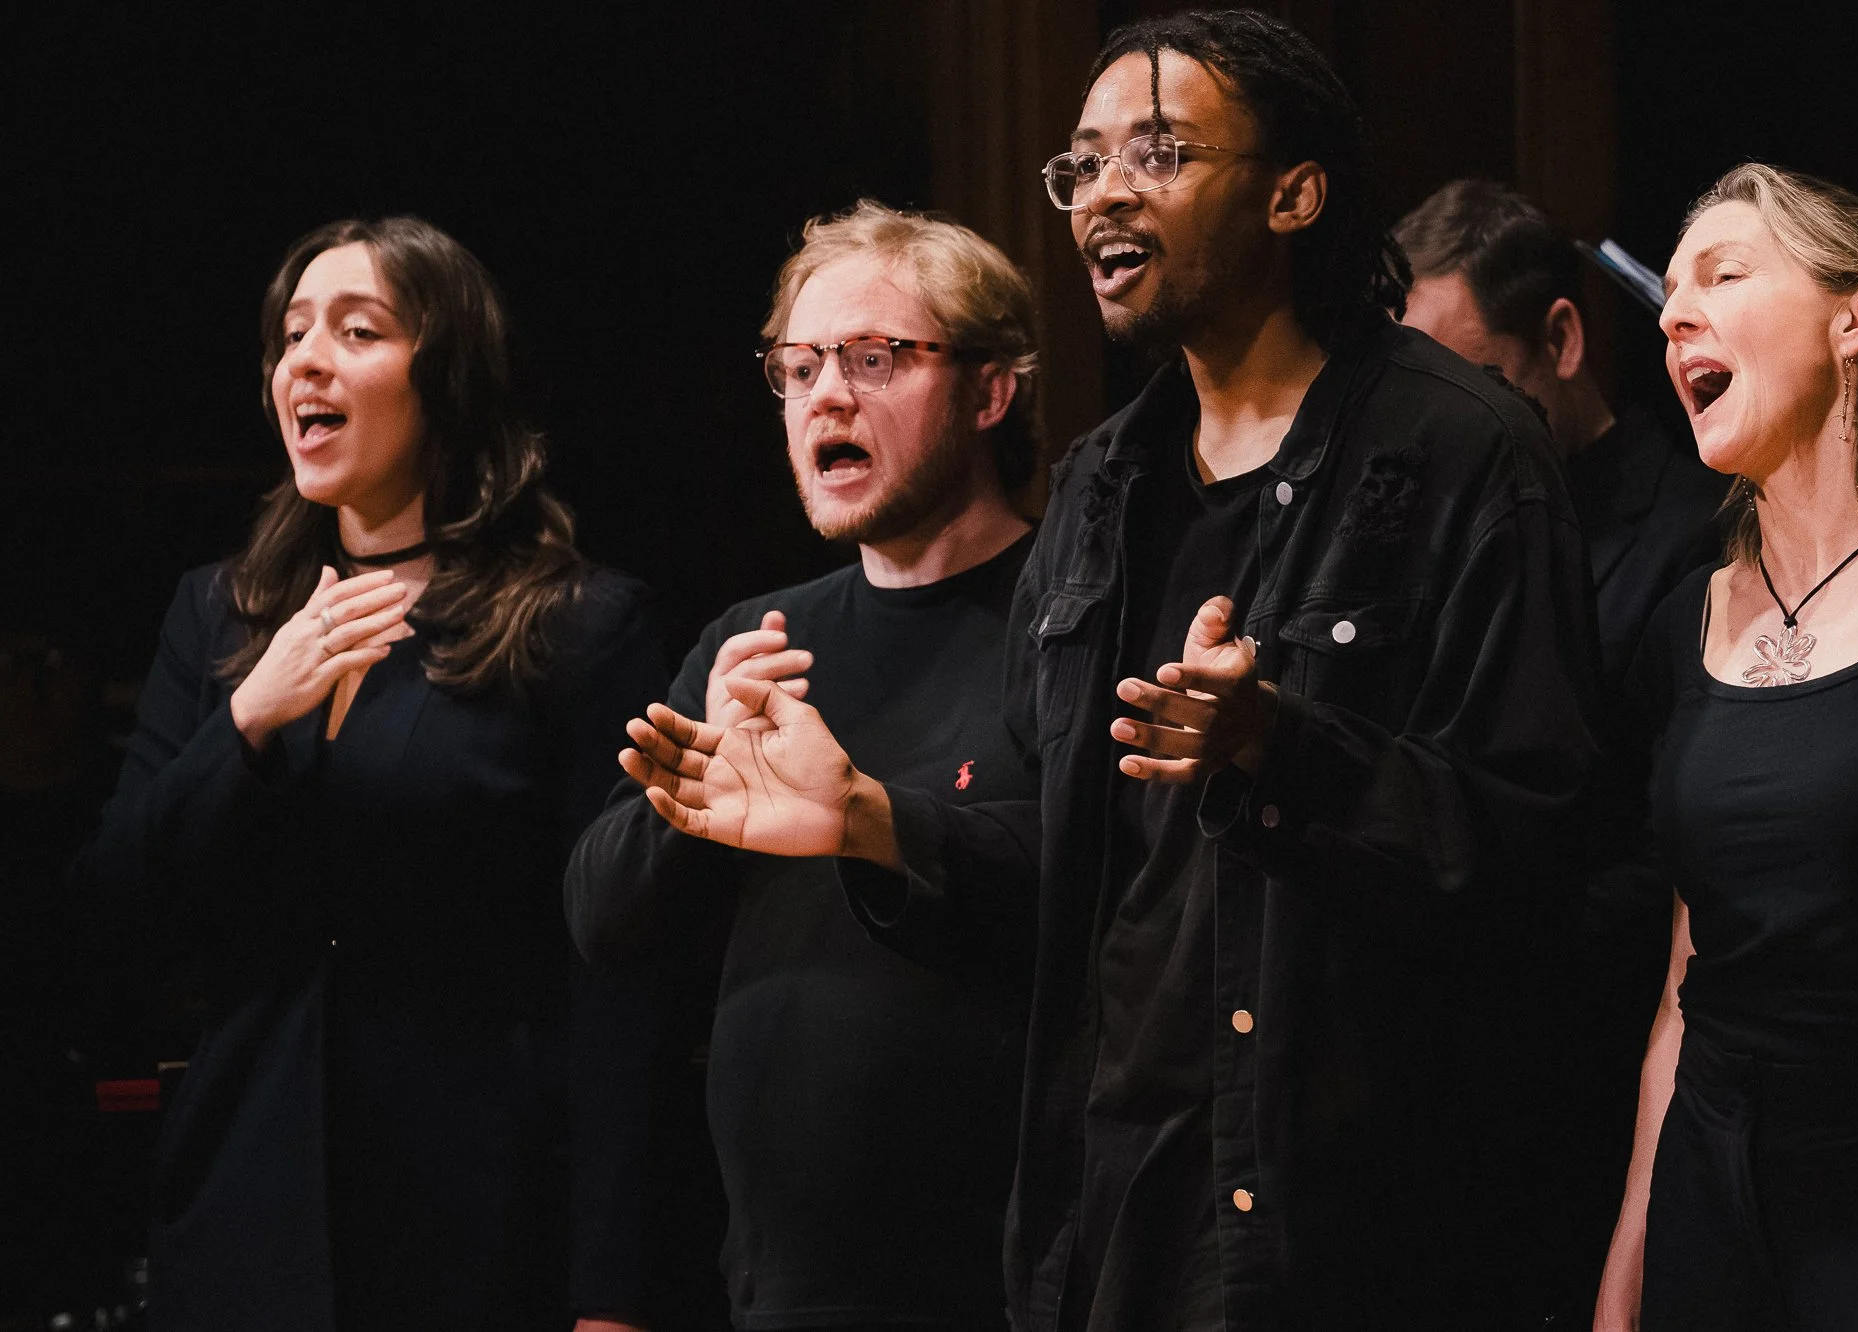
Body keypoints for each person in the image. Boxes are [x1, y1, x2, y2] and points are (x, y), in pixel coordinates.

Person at [622, 12, 1599, 1330]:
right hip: (1131, 1216)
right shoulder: (1101, 489)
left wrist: (1281, 749)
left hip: (1362, 1226)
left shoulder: (1461, 450)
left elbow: (1541, 851)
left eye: (1159, 150)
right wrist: (867, 821)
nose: (1106, 193)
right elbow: (1070, 881)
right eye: (1082, 165)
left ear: (1296, 192)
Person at [75, 217, 669, 1332]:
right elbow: (115, 912)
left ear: (445, 373)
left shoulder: (575, 623)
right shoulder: (221, 614)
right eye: (291, 335)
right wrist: (247, 719)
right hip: (244, 1220)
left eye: (358, 331)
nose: (307, 359)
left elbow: (616, 981)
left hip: (482, 1226)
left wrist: (612, 1289)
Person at [565, 201, 1040, 1332]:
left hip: (1009, 1285)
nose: (826, 394)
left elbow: (1104, 892)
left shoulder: (1063, 622)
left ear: (988, 391)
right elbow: (599, 919)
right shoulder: (760, 640)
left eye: (874, 359)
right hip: (781, 1292)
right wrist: (681, 804)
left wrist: (868, 818)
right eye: (798, 367)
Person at [1595, 164, 1858, 1331]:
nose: (1673, 313)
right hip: (1712, 1210)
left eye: (1723, 274)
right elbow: (1686, 983)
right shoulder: (1689, 620)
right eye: (1669, 293)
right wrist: (1630, 1248)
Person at [1396, 180, 1728, 1318]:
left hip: (1591, 1081)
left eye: (1475, 382)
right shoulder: (1415, 530)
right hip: (1433, 1103)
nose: (1446, 424)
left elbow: (1676, 861)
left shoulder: (1691, 530)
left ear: (1562, 337)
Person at [1396, 179, 1726, 684]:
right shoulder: (1424, 529)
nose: (1430, 436)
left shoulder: (1701, 533)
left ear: (1560, 340)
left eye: (1465, 388)